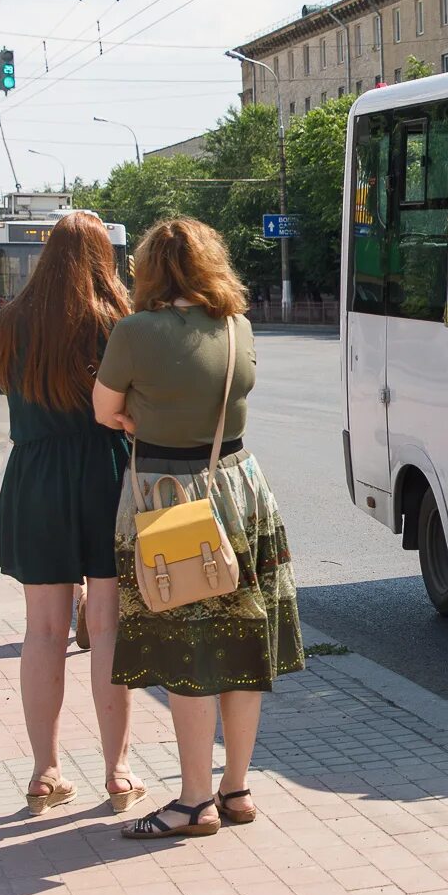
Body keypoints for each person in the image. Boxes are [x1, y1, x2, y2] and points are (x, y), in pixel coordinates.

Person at [94, 218, 304, 838]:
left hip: (168, 500)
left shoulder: (135, 332)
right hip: (240, 491)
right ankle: (235, 789)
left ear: (151, 271)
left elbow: (105, 411)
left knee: (189, 647)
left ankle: (192, 802)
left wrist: (140, 417)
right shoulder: (238, 327)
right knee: (241, 647)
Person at [0, 211, 142, 816]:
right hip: (104, 474)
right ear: (104, 258)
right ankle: (118, 771)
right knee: (106, 627)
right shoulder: (116, 323)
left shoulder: (12, 321)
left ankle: (44, 771)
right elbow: (129, 405)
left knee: (43, 630)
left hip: (36, 479)